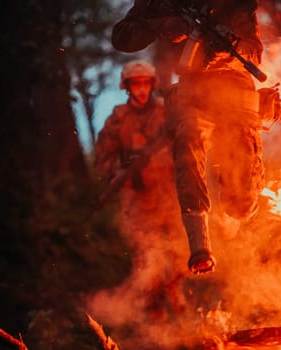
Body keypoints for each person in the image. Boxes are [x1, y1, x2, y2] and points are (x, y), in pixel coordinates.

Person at [111, 0, 266, 275]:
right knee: (188, 140)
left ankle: (231, 209)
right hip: (193, 92)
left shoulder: (234, 4)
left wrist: (231, 51)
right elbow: (122, 37)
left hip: (234, 92)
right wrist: (164, 24)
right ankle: (200, 244)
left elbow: (254, 50)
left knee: (241, 205)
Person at [93, 60, 188, 319]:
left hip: (170, 196)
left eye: (146, 83)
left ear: (152, 84)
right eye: (136, 84)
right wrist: (119, 176)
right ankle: (154, 322)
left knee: (182, 255)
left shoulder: (165, 114)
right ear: (127, 87)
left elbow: (185, 147)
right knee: (148, 263)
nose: (142, 89)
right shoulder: (117, 120)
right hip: (138, 202)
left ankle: (181, 308)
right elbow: (103, 160)